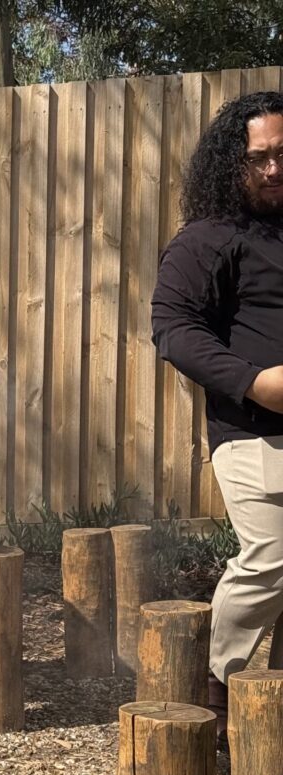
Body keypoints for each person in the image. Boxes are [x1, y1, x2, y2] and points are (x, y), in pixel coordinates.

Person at [151, 90, 283, 737]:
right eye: (259, 158)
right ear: (231, 162)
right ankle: (216, 691)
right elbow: (172, 329)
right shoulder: (208, 239)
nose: (273, 170)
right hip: (252, 434)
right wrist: (255, 381)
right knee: (271, 557)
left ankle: (273, 720)